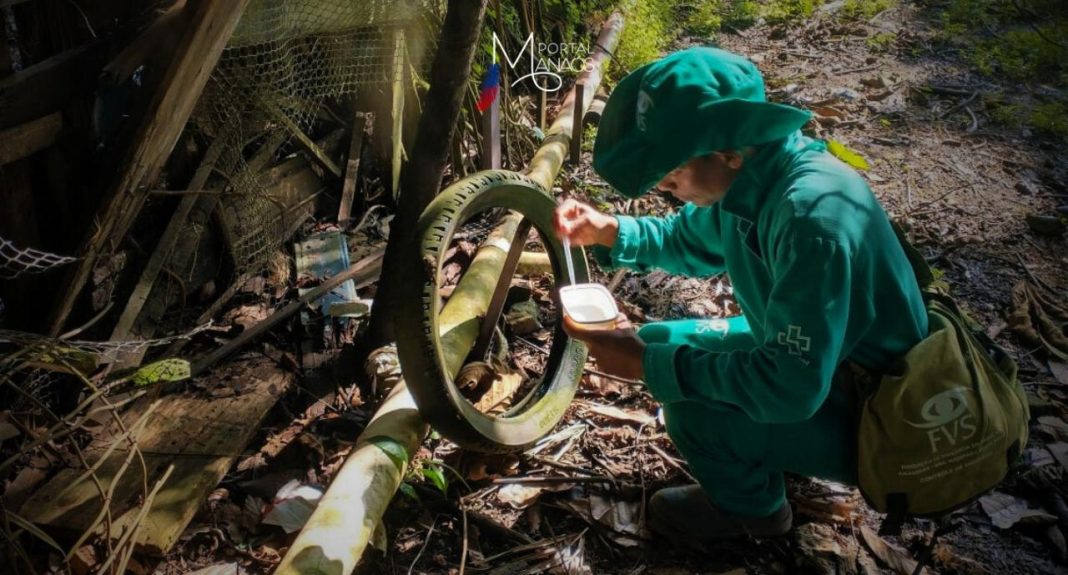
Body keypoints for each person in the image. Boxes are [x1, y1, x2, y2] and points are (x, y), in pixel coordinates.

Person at [553, 47, 929, 543]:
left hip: (882, 413)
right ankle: (770, 456)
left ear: (725, 152)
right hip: (828, 368)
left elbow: (789, 386)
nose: (668, 192)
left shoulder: (809, 220)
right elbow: (687, 240)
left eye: (671, 177)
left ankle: (754, 514)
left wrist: (650, 367)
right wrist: (609, 232)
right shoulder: (755, 177)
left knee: (688, 401)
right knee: (664, 337)